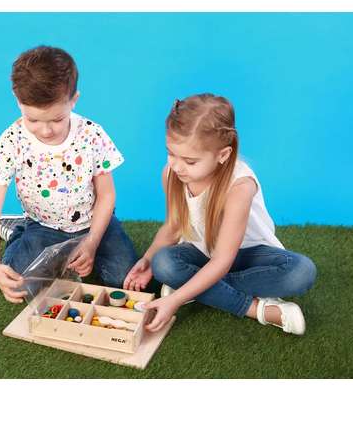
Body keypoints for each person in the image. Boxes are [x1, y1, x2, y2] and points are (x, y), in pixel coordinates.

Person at [123, 93, 317, 335]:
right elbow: (173, 225)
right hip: (203, 253)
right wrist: (148, 259)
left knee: (301, 272)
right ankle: (254, 307)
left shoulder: (240, 186)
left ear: (223, 155)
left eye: (190, 161)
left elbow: (223, 260)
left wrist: (176, 298)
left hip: (248, 256)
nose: (176, 165)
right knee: (163, 263)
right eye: (171, 153)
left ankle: (194, 288)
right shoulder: (172, 174)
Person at [0, 45, 138, 303]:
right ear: (18, 101)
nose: (45, 131)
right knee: (22, 286)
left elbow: (107, 195)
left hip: (94, 223)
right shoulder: (12, 141)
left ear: (74, 100)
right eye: (33, 120)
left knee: (124, 279)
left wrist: (93, 241)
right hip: (44, 227)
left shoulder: (91, 134)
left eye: (56, 119)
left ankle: (81, 249)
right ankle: (17, 230)